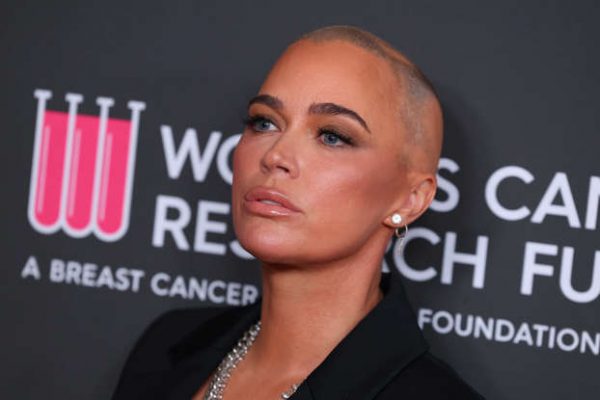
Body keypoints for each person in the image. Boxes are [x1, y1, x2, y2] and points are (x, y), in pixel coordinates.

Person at [112, 25, 485, 399]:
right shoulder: (166, 345)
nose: (275, 155)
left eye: (332, 136)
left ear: (410, 199)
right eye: (264, 122)